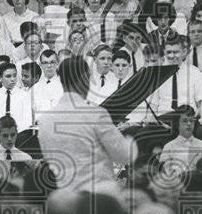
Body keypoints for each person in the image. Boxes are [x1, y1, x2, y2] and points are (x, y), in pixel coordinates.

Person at [36, 55, 136, 191]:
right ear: (84, 79)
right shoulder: (96, 114)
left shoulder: (45, 120)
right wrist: (131, 139)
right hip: (99, 194)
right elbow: (125, 155)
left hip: (65, 196)